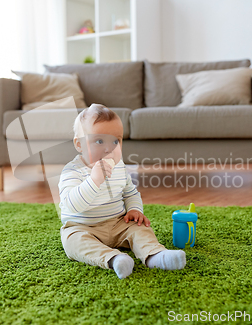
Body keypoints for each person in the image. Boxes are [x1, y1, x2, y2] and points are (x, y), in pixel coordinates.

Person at [58, 103, 186, 279]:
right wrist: (94, 180)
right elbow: (72, 205)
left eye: (116, 141)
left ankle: (155, 255)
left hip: (118, 222)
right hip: (83, 227)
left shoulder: (119, 167)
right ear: (79, 144)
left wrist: (135, 210)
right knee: (73, 242)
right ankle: (114, 259)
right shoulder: (72, 171)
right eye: (99, 141)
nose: (109, 148)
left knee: (140, 228)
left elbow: (130, 192)